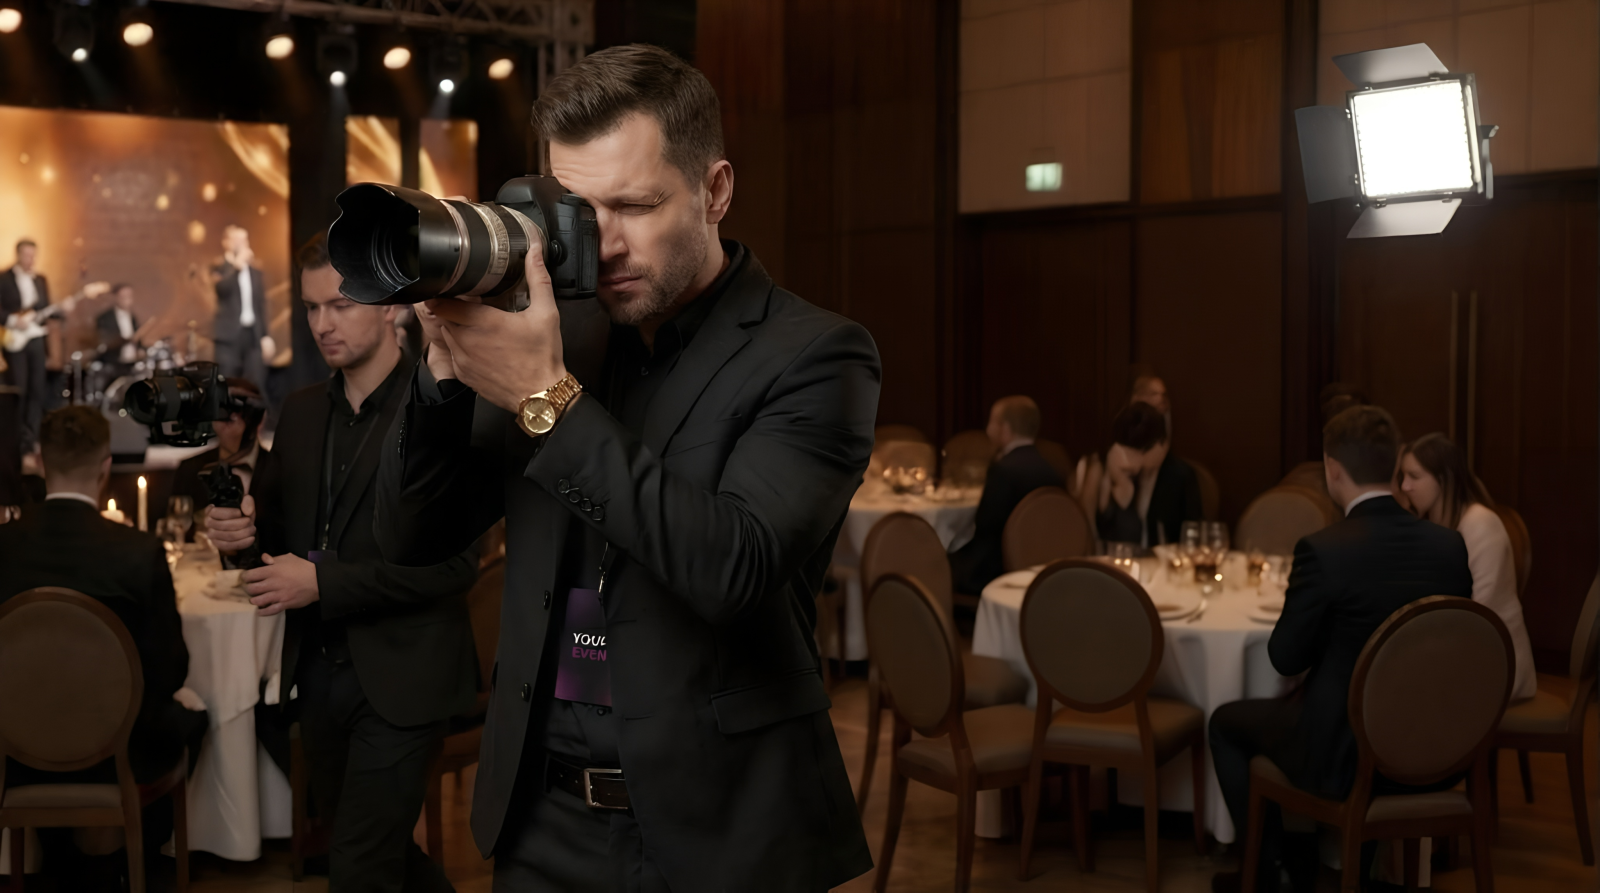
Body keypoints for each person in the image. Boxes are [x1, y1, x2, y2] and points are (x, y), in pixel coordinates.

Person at [373, 45, 876, 892]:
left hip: (723, 827)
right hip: (541, 817)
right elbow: (411, 535)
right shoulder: (557, 336)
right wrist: (443, 375)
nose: (601, 244)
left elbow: (734, 566)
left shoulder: (816, 354)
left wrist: (546, 396)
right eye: (578, 210)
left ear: (715, 190)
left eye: (635, 206)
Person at [202, 233, 478, 892]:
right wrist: (236, 536)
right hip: (319, 679)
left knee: (358, 865)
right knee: (378, 858)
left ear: (392, 307)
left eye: (340, 305)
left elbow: (455, 567)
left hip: (405, 677)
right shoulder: (299, 412)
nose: (322, 323)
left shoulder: (440, 404)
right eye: (310, 307)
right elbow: (269, 544)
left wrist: (323, 581)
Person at [1208, 406, 1473, 893]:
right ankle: (1335, 865)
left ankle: (1269, 873)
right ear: (1395, 462)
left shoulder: (1324, 549)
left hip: (1346, 759)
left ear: (1332, 469)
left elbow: (1285, 658)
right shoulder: (1449, 546)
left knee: (1225, 724)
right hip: (1435, 753)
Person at [0, 405, 208, 886]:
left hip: (16, 751)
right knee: (194, 720)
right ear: (105, 467)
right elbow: (170, 671)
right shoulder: (137, 552)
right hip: (120, 753)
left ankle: (61, 859)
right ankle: (129, 860)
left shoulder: (4, 546)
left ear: (40, 463)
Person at [1398, 433, 1537, 701]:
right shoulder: (1432, 527)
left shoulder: (1480, 523)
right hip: (1460, 646)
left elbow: (1480, 612)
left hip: (1496, 658)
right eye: (1402, 476)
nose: (1404, 486)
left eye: (1414, 476)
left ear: (1444, 478)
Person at [950, 395, 1064, 595]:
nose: (988, 430)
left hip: (996, 571)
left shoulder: (1003, 471)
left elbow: (985, 526)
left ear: (1004, 429)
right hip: (1041, 566)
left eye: (991, 423)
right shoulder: (1053, 470)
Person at [1096, 400, 1202, 547]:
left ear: (1162, 445)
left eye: (1142, 452)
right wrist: (1118, 483)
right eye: (1131, 452)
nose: (1136, 460)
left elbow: (1195, 535)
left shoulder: (1181, 475)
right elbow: (1106, 536)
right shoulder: (1121, 471)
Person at [169, 376, 267, 529]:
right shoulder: (189, 470)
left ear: (259, 417)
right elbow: (175, 527)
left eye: (241, 408)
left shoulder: (281, 472)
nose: (230, 414)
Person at [1, 238, 51, 456]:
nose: (31, 259)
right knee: (18, 389)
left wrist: (60, 311)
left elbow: (45, 308)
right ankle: (15, 440)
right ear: (18, 254)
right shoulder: (4, 278)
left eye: (33, 255)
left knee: (37, 390)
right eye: (27, 255)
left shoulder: (40, 280)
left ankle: (31, 440)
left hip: (36, 338)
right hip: (15, 339)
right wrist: (13, 321)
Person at [212, 226, 273, 387]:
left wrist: (265, 336)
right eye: (236, 240)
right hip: (228, 338)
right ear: (226, 242)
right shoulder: (219, 266)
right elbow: (221, 290)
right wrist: (237, 267)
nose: (241, 244)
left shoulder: (255, 271)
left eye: (244, 240)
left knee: (255, 384)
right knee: (228, 384)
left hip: (252, 335)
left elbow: (261, 304)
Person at [96, 283, 147, 374]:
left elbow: (137, 337)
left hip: (131, 362)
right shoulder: (105, 318)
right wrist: (125, 340)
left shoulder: (132, 317)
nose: (127, 299)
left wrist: (140, 349)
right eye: (123, 296)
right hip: (114, 364)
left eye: (129, 296)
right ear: (116, 297)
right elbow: (105, 341)